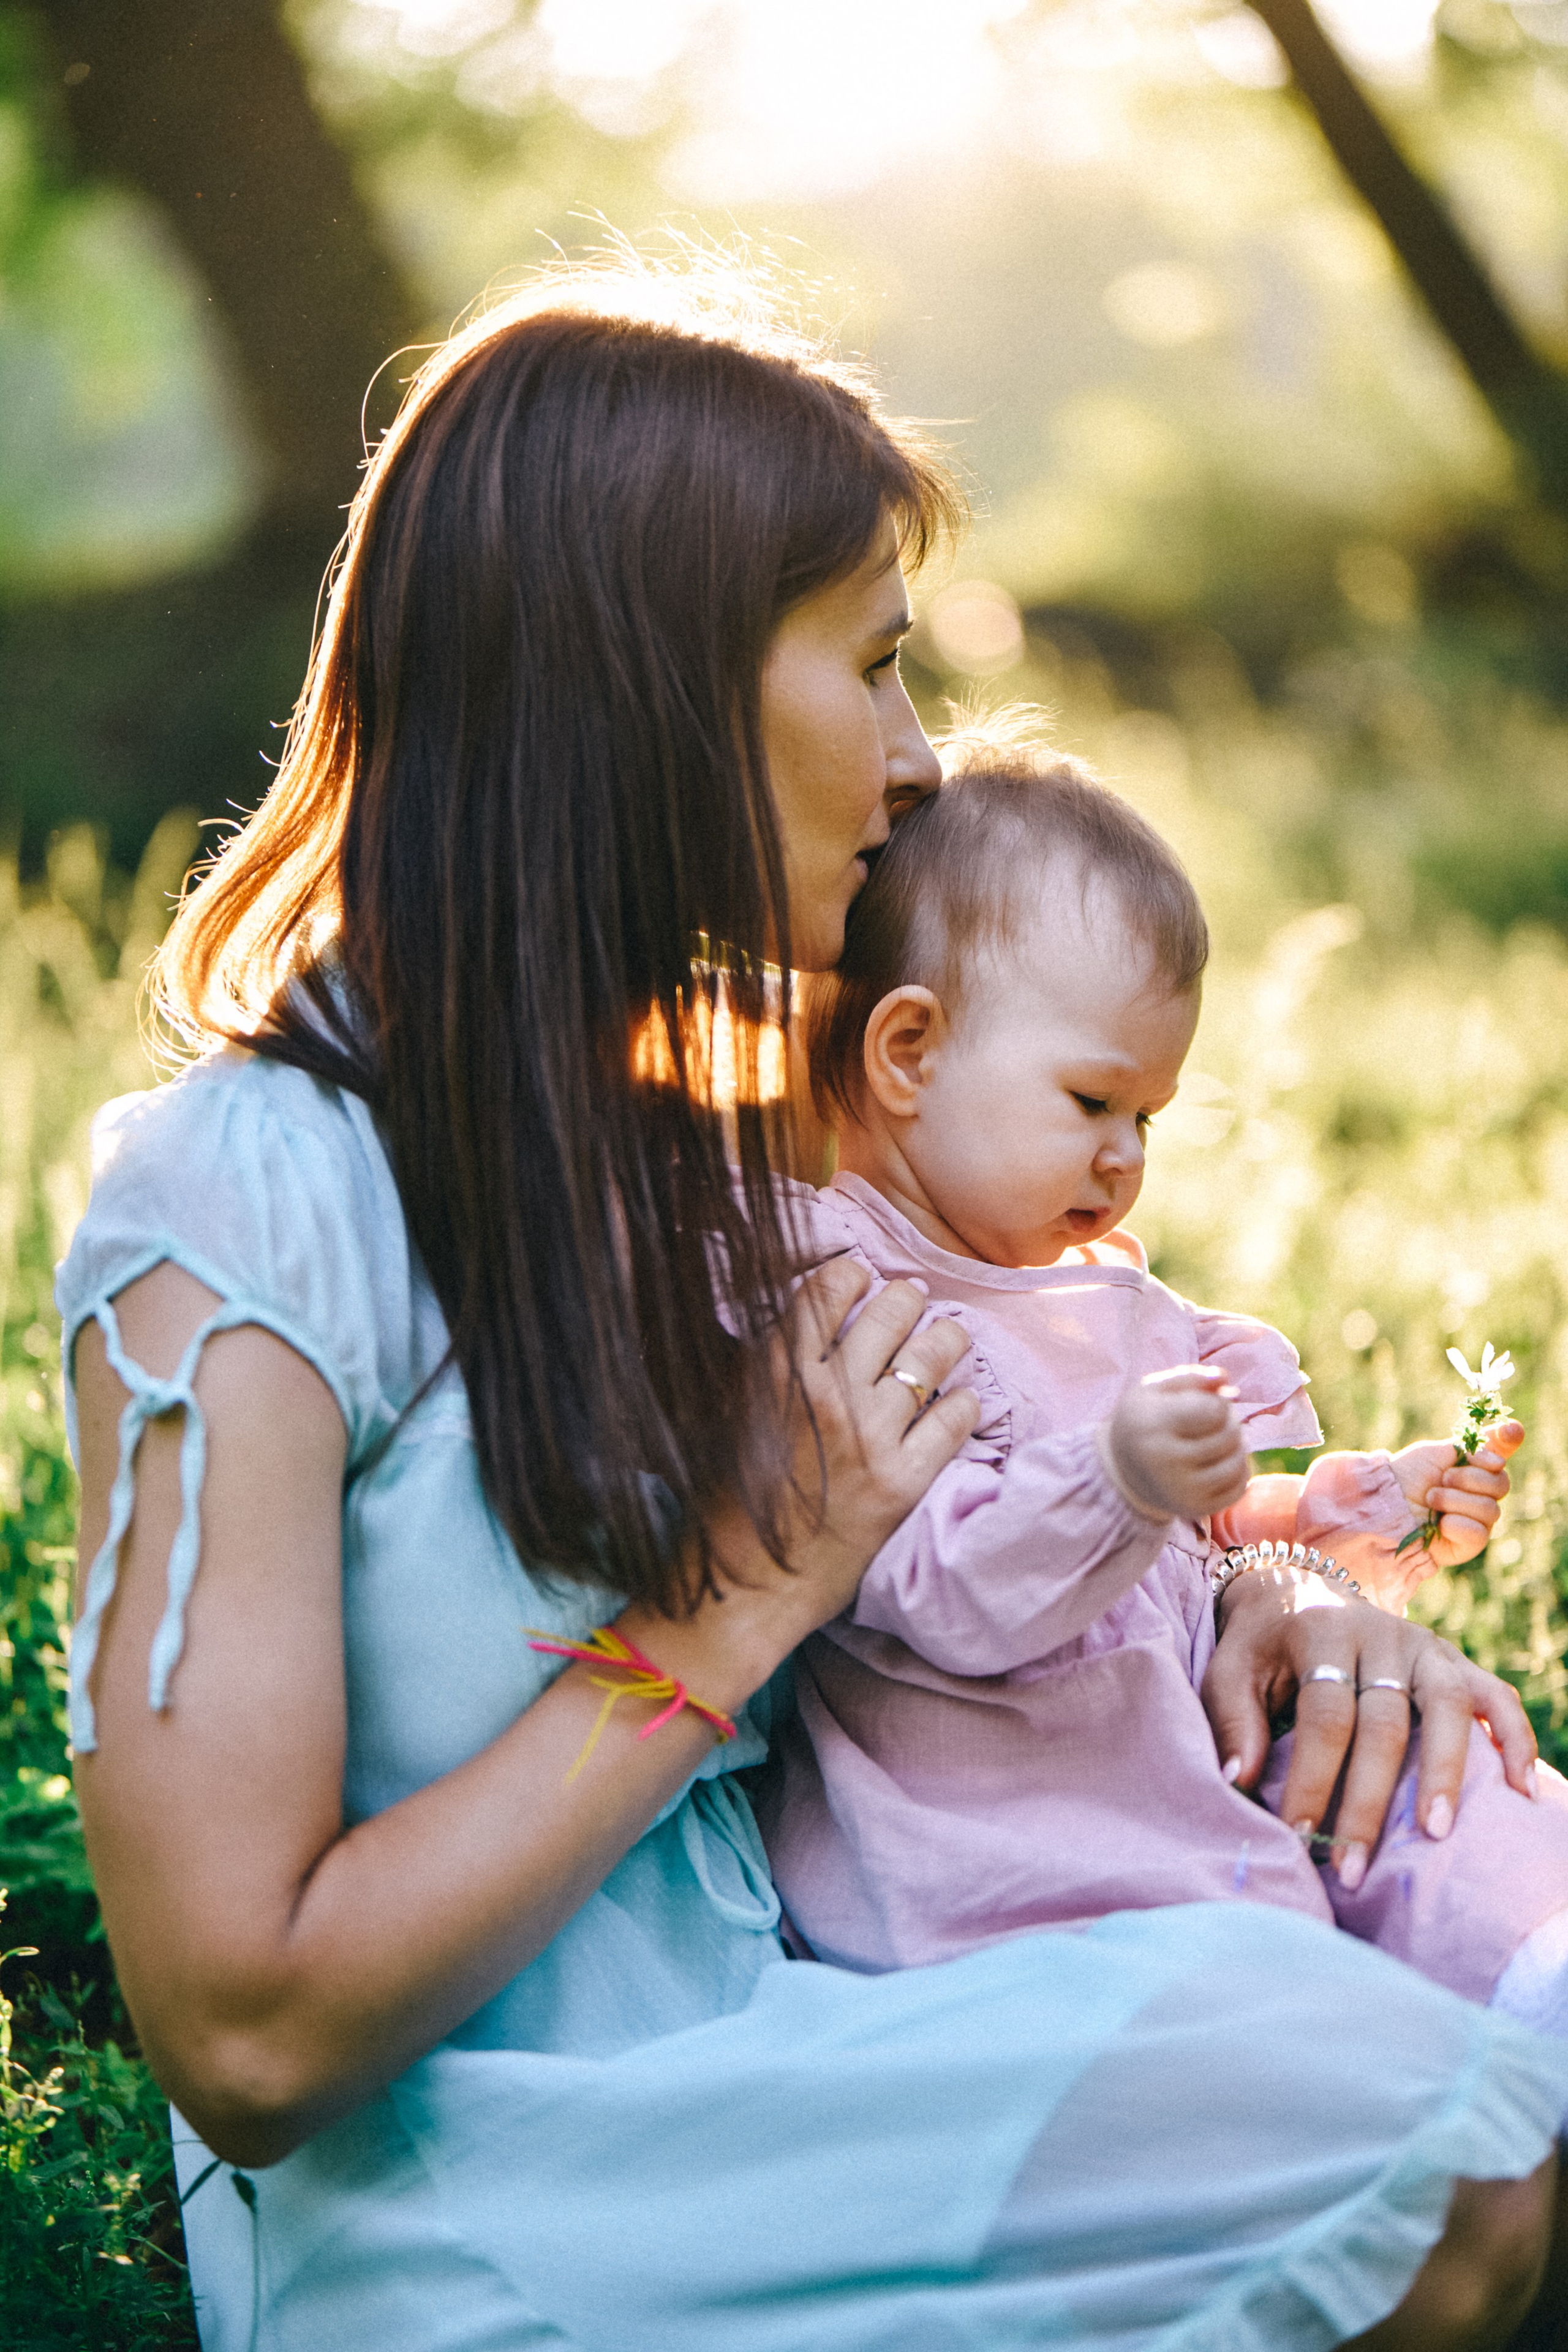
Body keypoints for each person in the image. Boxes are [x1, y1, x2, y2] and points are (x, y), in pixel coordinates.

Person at [58, 262, 1568, 2351]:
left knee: (1491, 2052)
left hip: (826, 2024)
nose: (919, 755)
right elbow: (241, 2029)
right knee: (1414, 2128)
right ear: (650, 682)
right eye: (869, 663)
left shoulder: (727, 1148)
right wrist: (725, 1615)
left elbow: (1037, 1446)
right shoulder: (241, 1200)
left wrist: (1265, 1599)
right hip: (490, 2180)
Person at [760, 744, 1568, 2039]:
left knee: (1458, 1777)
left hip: (1188, 1832)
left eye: (1151, 1116)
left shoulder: (1111, 1306)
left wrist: (1338, 1509)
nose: (1124, 1157)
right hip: (1009, 1893)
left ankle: (1530, 1962)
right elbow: (942, 1593)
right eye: (1091, 1100)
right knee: (1322, 2045)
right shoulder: (837, 1296)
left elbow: (1199, 1545)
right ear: (907, 1051)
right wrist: (1118, 1476)